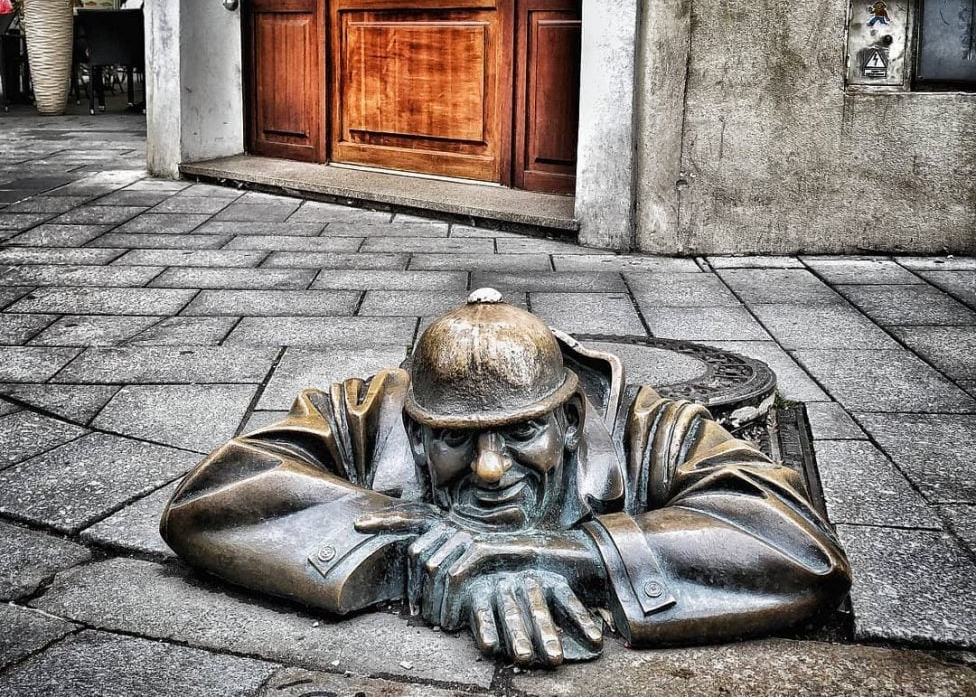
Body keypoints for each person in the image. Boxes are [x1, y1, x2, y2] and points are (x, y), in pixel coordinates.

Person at [161, 291, 850, 667]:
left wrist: (572, 556)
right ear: (417, 429)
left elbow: (799, 548)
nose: (491, 470)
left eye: (523, 433)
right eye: (457, 441)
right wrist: (416, 549)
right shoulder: (368, 412)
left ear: (573, 422)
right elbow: (211, 498)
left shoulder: (652, 428)